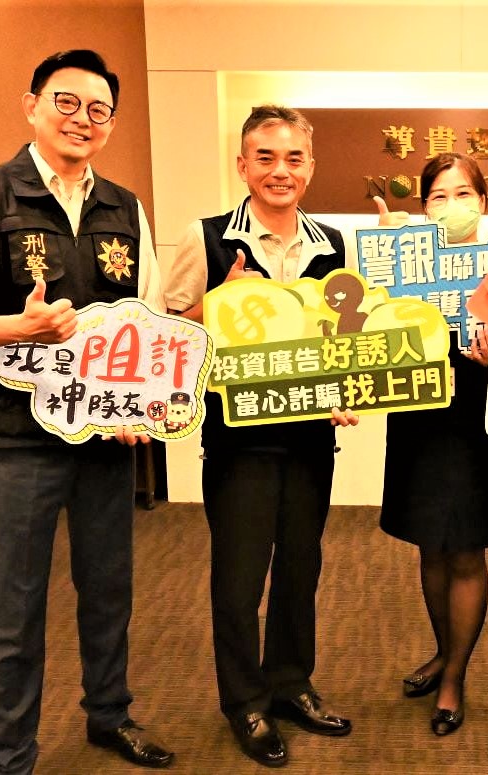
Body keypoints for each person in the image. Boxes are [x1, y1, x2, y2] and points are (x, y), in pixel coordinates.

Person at [0, 50, 174, 772]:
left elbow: (146, 319)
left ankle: (110, 714)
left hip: (104, 431)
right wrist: (18, 327)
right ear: (32, 106)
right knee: (15, 605)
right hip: (18, 438)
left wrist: (144, 403)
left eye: (99, 109)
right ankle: (7, 754)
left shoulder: (124, 207)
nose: (83, 119)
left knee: (108, 589)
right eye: (66, 102)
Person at [164, 105, 357, 768]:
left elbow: (343, 338)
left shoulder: (332, 244)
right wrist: (216, 298)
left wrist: (346, 389)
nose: (280, 170)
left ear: (311, 166)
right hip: (238, 441)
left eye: (293, 158)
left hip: (309, 437)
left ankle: (291, 683)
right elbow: (168, 335)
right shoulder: (206, 237)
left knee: (301, 568)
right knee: (240, 578)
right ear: (242, 165)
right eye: (265, 157)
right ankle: (244, 700)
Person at [374, 152, 488, 736]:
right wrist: (381, 259)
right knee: (429, 544)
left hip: (473, 411)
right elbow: (368, 333)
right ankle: (444, 651)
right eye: (439, 197)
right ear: (424, 208)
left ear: (484, 202)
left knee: (466, 547)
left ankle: (454, 677)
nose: (452, 206)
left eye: (463, 193)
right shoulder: (403, 264)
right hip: (418, 410)